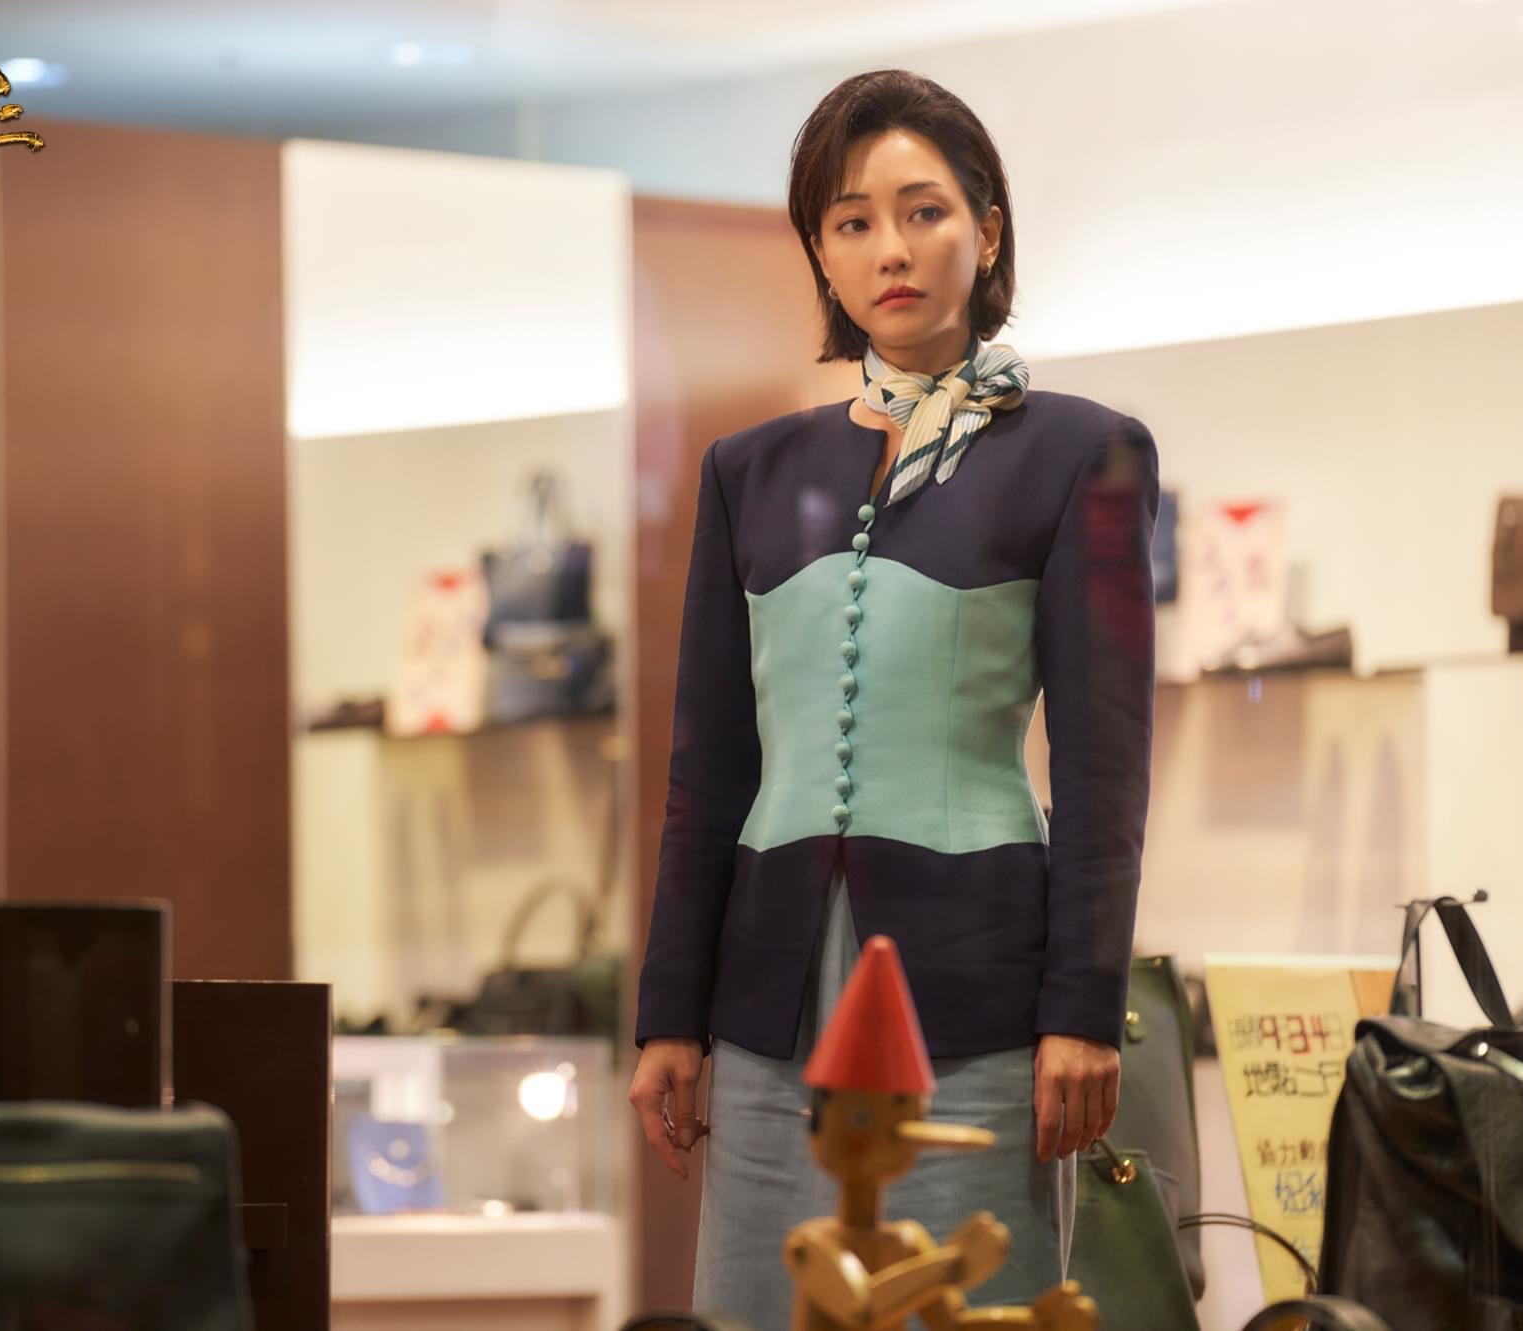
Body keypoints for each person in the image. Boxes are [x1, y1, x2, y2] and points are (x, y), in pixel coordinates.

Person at [627, 70, 1158, 1330]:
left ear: (986, 227)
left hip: (976, 993)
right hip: (763, 999)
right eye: (851, 220)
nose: (891, 249)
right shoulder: (749, 470)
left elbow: (1102, 761)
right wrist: (669, 1014)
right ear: (819, 251)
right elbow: (709, 767)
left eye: (923, 211)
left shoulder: (1079, 450)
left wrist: (1081, 1008)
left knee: (960, 1300)